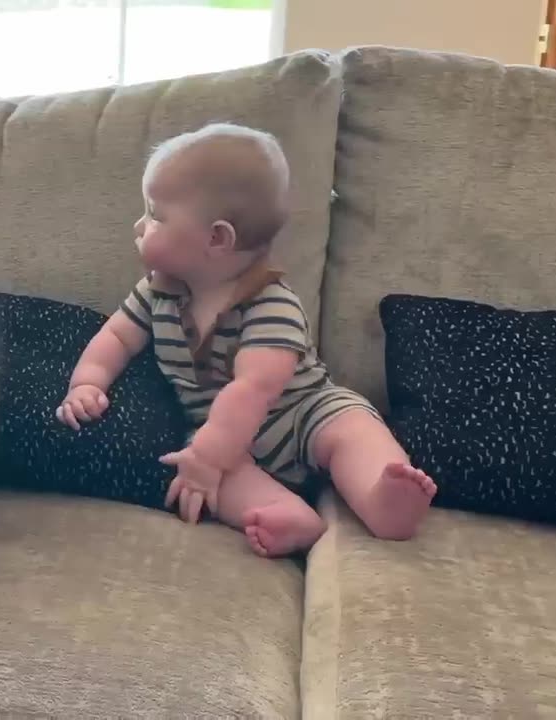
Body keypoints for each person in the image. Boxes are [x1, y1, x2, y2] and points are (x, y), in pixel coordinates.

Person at [55, 123, 436, 557]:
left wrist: (209, 457)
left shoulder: (270, 303)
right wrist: (87, 383)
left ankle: (382, 497)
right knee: (208, 474)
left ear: (217, 238)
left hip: (304, 414)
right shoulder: (158, 291)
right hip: (223, 438)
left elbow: (254, 388)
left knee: (351, 428)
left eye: (156, 215)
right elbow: (116, 337)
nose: (139, 224)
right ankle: (287, 514)